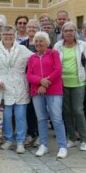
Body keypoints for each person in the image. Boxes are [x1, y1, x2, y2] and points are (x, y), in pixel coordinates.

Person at [0, 26, 33, 153]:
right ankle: (8, 139)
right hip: (4, 87)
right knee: (6, 116)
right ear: (0, 36)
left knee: (20, 116)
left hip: (20, 86)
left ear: (15, 35)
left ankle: (20, 142)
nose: (8, 36)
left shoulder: (22, 49)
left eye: (10, 34)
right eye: (5, 34)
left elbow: (36, 59)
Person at [27, 31, 68, 159]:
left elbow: (58, 70)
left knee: (56, 118)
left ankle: (62, 146)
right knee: (41, 119)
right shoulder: (32, 58)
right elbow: (29, 75)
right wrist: (40, 82)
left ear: (47, 42)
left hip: (53, 90)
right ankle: (43, 145)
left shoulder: (53, 54)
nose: (38, 43)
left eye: (41, 41)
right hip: (37, 91)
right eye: (36, 41)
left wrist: (45, 83)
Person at [53, 21, 86, 151]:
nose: (69, 33)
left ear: (75, 32)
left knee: (78, 110)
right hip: (62, 83)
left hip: (78, 83)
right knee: (67, 112)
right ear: (62, 33)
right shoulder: (58, 46)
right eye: (66, 30)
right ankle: (72, 138)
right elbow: (54, 64)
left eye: (71, 30)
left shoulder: (82, 45)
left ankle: (83, 139)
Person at [21, 19, 40, 147]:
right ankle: (31, 133)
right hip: (26, 80)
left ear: (38, 29)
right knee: (29, 108)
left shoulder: (43, 42)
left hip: (39, 80)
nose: (32, 29)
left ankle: (40, 135)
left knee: (40, 109)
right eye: (30, 27)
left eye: (34, 27)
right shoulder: (23, 44)